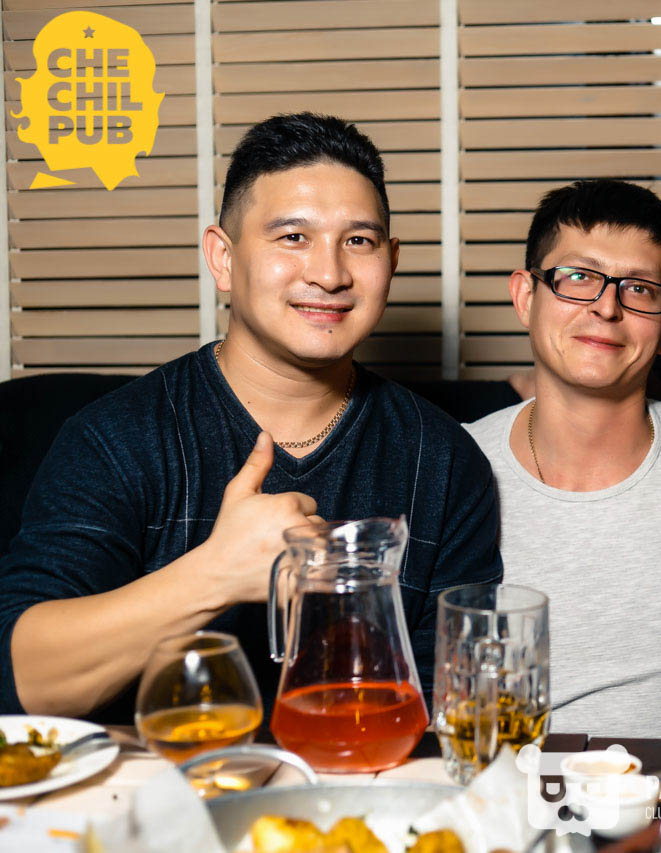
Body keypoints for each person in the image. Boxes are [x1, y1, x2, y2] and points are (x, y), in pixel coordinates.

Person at [0, 113, 501, 722]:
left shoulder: (443, 459)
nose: (329, 274)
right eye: (292, 237)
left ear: (391, 262)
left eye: (358, 242)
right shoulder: (116, 438)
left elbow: (445, 713)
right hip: (159, 778)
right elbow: (21, 681)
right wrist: (215, 574)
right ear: (222, 257)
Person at [464, 180, 661, 738]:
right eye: (578, 277)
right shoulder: (450, 468)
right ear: (525, 297)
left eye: (640, 289)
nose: (607, 308)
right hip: (503, 784)